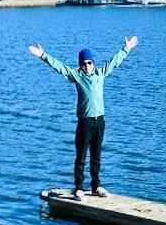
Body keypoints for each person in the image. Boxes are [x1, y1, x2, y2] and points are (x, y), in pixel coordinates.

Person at [28, 36, 138, 199]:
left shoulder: (101, 73)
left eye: (89, 62)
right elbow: (60, 67)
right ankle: (78, 187)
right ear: (80, 65)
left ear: (93, 62)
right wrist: (43, 55)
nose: (87, 66)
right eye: (83, 63)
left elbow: (115, 61)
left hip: (99, 121)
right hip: (85, 122)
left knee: (96, 156)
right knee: (81, 157)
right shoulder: (77, 76)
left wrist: (126, 48)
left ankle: (96, 186)